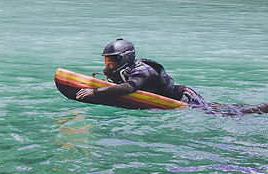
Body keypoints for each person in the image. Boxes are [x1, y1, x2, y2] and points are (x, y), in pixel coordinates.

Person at [77, 39, 268, 114]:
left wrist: (96, 92)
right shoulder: (124, 70)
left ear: (124, 59)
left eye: (111, 62)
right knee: (217, 108)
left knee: (221, 113)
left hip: (184, 97)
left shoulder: (143, 70)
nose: (107, 65)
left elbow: (130, 89)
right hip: (171, 95)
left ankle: (259, 109)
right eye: (106, 62)